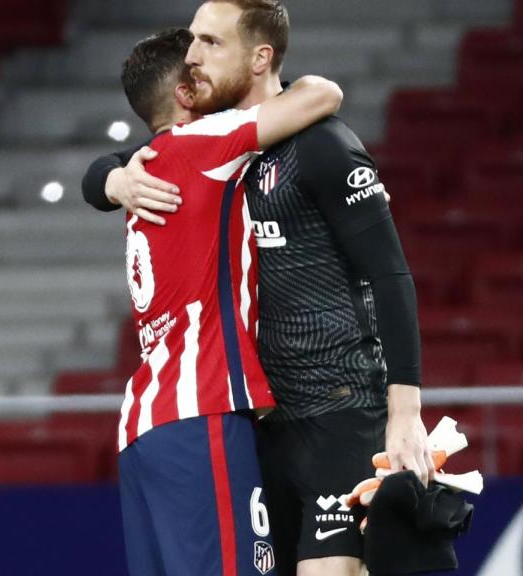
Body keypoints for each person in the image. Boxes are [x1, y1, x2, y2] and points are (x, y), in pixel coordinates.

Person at [81, 2, 433, 575]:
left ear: (259, 57)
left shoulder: (319, 145)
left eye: (211, 43)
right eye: (191, 43)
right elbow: (108, 168)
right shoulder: (207, 150)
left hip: (336, 411)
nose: (193, 57)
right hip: (260, 424)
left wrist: (405, 409)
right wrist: (112, 178)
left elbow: (390, 274)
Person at [109, 27, 342, 576]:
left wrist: (110, 176)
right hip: (202, 414)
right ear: (186, 95)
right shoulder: (202, 144)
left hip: (144, 424)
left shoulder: (147, 168)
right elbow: (323, 95)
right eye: (203, 65)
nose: (215, 71)